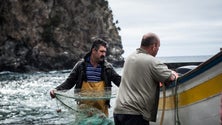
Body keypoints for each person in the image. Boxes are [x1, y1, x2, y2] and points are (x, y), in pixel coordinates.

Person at [113, 32, 179, 125]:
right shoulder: (152, 61)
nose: (157, 50)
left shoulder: (129, 58)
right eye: (158, 47)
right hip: (135, 114)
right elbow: (171, 77)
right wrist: (173, 73)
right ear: (154, 46)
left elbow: (141, 78)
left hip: (118, 111)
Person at [50, 37, 121, 116]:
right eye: (101, 51)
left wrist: (134, 87)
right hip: (83, 112)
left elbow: (119, 82)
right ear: (94, 51)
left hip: (102, 113)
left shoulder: (107, 68)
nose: (104, 54)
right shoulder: (81, 66)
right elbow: (69, 82)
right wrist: (56, 90)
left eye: (105, 52)